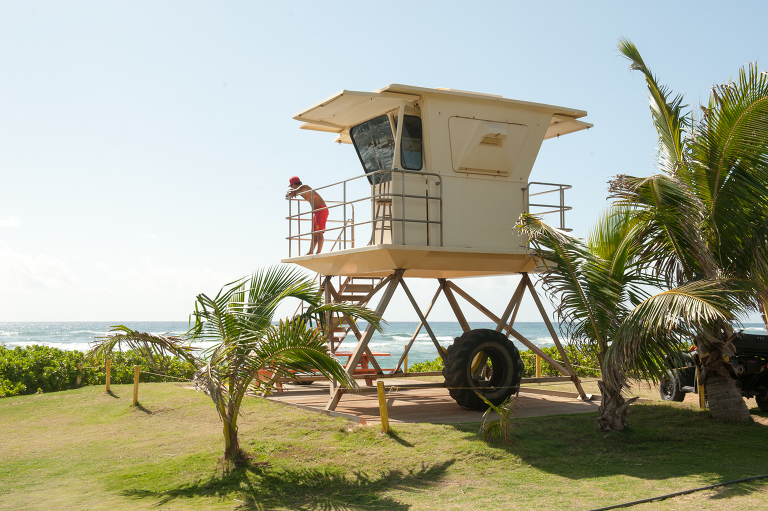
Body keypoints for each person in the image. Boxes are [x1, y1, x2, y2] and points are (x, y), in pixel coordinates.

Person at [286, 176, 327, 255]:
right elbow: (289, 192)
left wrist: (292, 192)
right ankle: (310, 251)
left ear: (294, 184)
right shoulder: (299, 190)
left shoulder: (305, 187)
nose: (291, 187)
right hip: (316, 211)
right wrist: (290, 191)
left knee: (319, 232)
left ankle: (318, 252)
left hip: (321, 209)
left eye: (291, 186)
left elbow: (296, 190)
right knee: (314, 233)